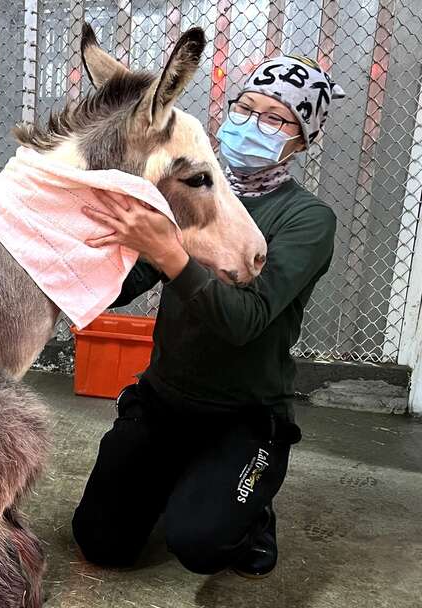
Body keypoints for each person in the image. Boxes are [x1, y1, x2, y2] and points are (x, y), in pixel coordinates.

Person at [72, 55, 345, 577]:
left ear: (303, 139)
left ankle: (251, 511)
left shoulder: (308, 220)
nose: (252, 124)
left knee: (200, 544)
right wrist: (85, 265)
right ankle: (181, 479)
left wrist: (171, 253)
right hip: (165, 401)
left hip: (242, 414)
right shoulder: (190, 189)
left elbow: (247, 319)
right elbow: (131, 284)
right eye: (246, 107)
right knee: (100, 543)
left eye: (276, 118)